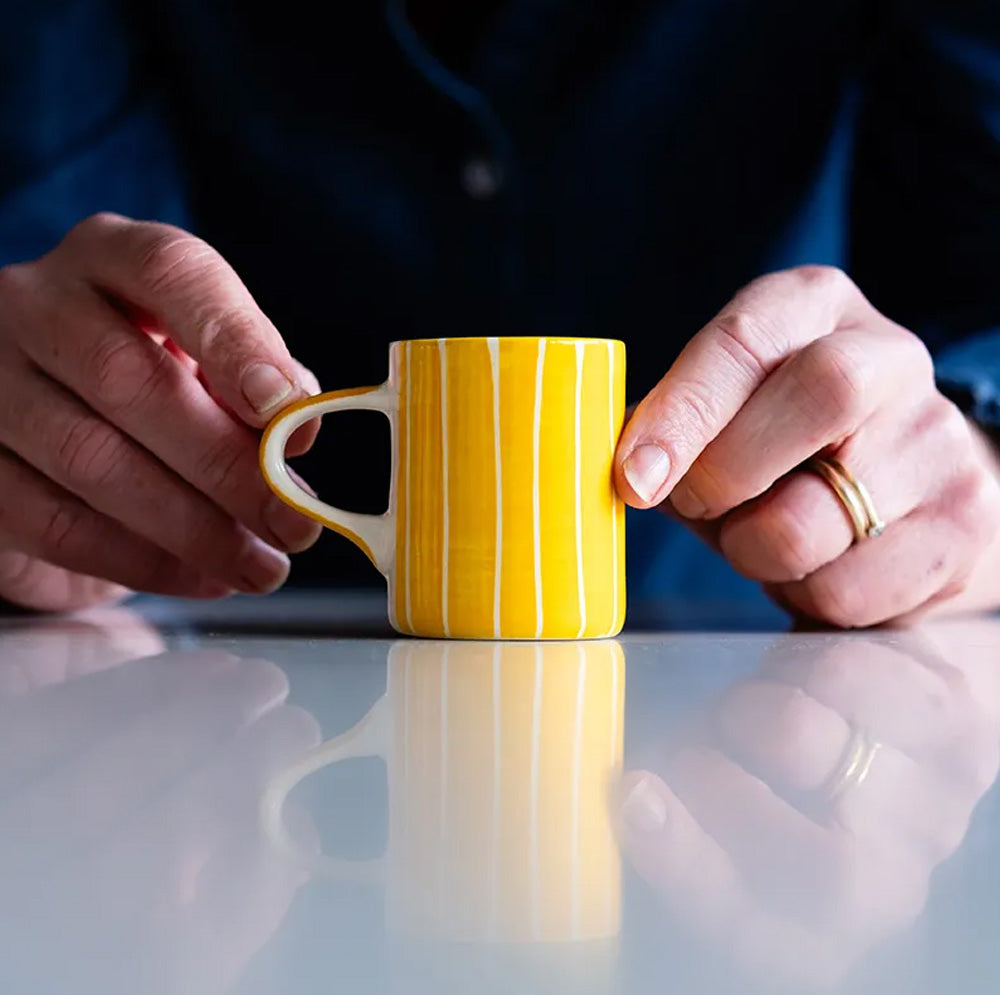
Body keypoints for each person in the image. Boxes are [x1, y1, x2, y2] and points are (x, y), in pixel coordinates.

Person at [1, 0, 999, 625]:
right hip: (196, 689)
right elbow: (53, 246)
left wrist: (974, 465)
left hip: (736, 686)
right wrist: (45, 415)